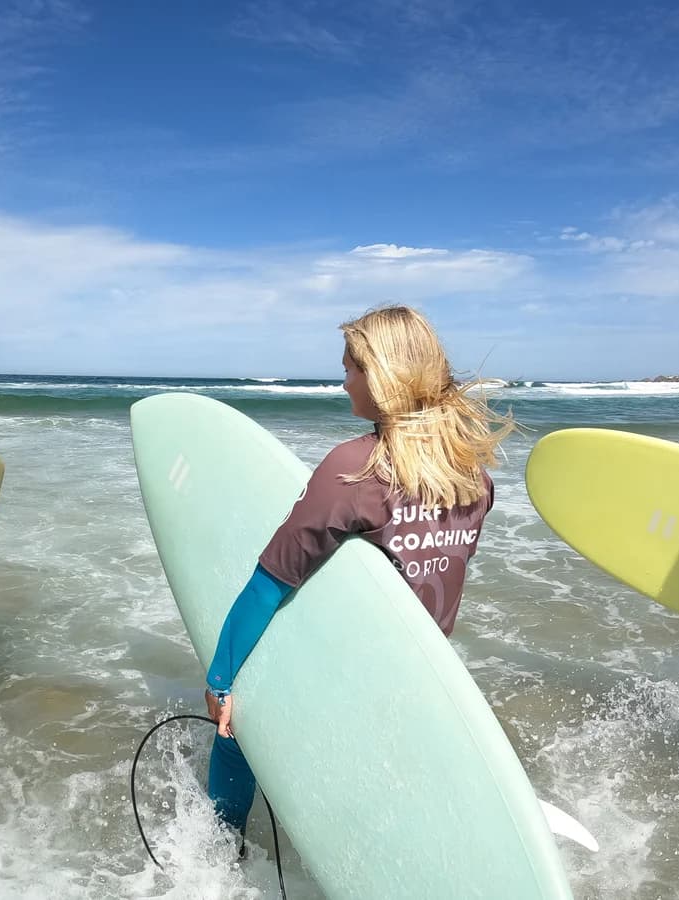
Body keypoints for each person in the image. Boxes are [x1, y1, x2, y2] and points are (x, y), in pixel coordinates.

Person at [201, 305, 513, 839]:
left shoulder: (355, 468)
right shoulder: (474, 479)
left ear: (383, 377)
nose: (343, 380)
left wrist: (221, 682)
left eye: (351, 368)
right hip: (418, 680)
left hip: (344, 669)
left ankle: (217, 854)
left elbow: (270, 581)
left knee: (237, 734)